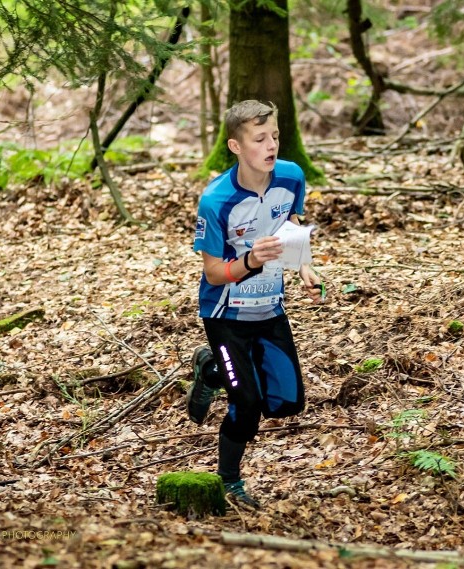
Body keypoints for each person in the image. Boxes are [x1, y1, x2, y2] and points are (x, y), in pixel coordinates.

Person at [189, 100, 323, 508]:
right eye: (259, 139)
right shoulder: (216, 201)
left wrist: (304, 268)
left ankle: (211, 370)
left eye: (276, 136)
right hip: (225, 314)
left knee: (287, 402)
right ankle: (229, 479)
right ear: (234, 145)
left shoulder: (291, 176)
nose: (271, 146)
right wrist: (251, 260)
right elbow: (213, 273)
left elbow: (290, 226)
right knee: (247, 404)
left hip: (271, 309)